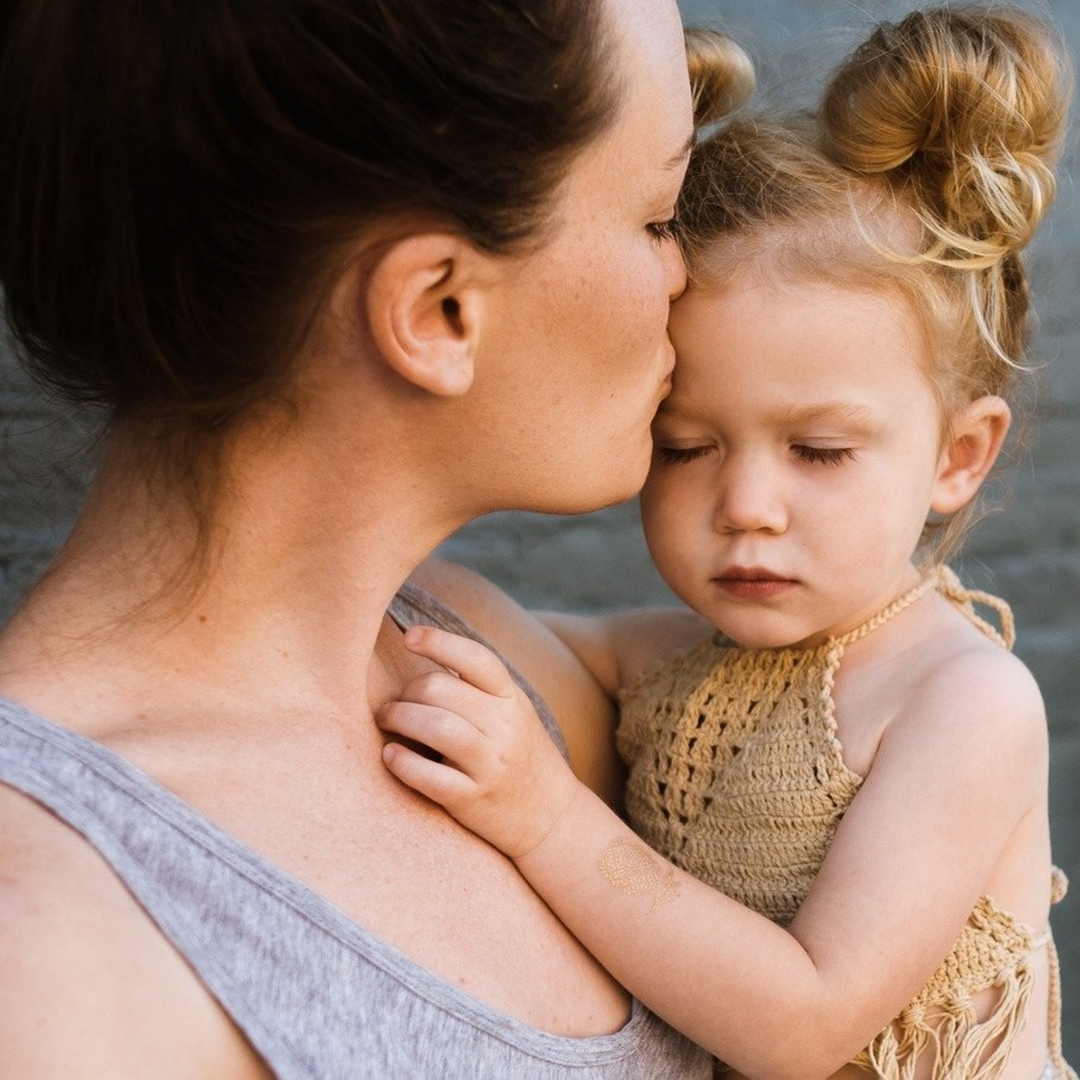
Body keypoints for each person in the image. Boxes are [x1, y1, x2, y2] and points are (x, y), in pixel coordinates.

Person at [0, 1, 755, 1075]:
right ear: (440, 309)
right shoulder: (49, 952)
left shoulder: (483, 663)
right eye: (656, 218)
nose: (684, 275)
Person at [377, 7, 1076, 1078]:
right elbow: (453, 615)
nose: (746, 503)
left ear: (957, 457)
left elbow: (806, 1023)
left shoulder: (960, 703)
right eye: (686, 445)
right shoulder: (667, 666)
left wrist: (548, 817)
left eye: (821, 451)